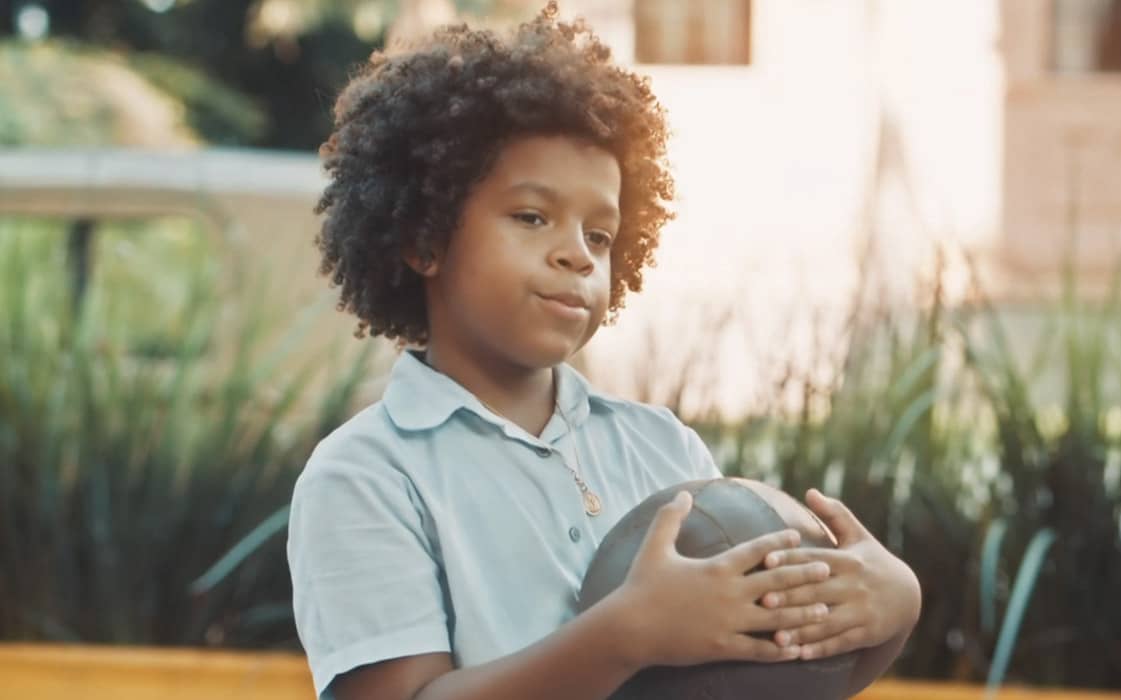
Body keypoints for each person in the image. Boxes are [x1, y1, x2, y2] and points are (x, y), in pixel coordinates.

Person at [286, 3, 922, 699]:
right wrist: (625, 636)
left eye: (600, 236)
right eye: (532, 217)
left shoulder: (662, 449)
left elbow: (763, 674)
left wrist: (888, 610)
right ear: (424, 239)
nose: (576, 255)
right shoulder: (367, 475)